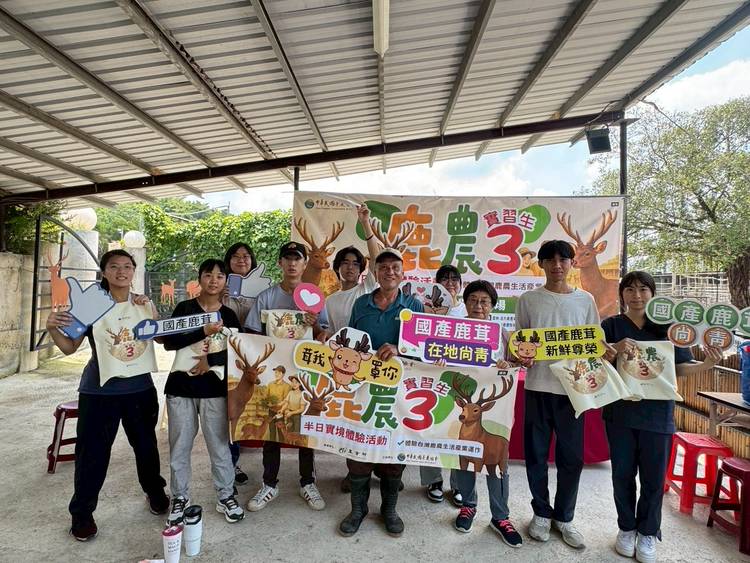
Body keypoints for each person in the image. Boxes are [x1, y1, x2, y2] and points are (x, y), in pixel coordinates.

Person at [45, 249, 169, 542]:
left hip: (140, 390)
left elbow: (161, 338)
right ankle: (82, 514)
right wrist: (52, 328)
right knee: (92, 454)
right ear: (104, 272)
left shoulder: (144, 303)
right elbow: (69, 347)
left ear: (134, 271)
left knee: (146, 447)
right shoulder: (91, 305)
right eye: (114, 266)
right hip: (98, 392)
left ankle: (155, 492)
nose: (121, 271)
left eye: (127, 266)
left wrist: (152, 313)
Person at [601, 271, 722, 563]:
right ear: (622, 294)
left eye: (643, 289)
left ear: (653, 294)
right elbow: (596, 364)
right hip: (619, 414)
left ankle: (648, 532)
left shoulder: (670, 328)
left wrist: (706, 364)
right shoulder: (610, 326)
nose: (637, 295)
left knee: (654, 480)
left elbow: (680, 368)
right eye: (630, 289)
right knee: (622, 476)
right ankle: (626, 528)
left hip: (658, 415)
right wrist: (614, 351)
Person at [514, 240, 599, 549]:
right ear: (541, 264)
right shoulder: (528, 300)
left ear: (572, 263)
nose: (557, 265)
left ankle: (564, 517)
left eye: (563, 259)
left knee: (571, 457)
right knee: (536, 455)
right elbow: (521, 342)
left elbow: (593, 343)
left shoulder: (585, 300)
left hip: (573, 392)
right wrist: (522, 356)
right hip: (537, 387)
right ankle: (540, 513)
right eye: (550, 259)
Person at [339, 247, 424, 537]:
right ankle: (358, 509)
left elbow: (423, 348)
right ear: (375, 273)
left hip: (397, 394)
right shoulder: (361, 304)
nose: (389, 271)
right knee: (358, 451)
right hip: (362, 390)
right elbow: (350, 341)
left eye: (395, 267)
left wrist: (400, 348)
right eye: (383, 267)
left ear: (402, 273)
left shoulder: (413, 305)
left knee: (394, 454)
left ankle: (389, 509)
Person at [244, 241, 329, 512]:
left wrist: (316, 326)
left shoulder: (315, 297)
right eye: (287, 258)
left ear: (305, 264)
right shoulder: (266, 297)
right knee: (272, 425)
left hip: (305, 372)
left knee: (305, 426)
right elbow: (252, 335)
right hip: (274, 372)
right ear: (280, 263)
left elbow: (324, 336)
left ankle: (308, 482)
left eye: (297, 259)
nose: (292, 263)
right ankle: (269, 483)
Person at [161, 259, 245, 525]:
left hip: (215, 390)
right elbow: (169, 343)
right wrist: (203, 331)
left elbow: (238, 352)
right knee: (179, 447)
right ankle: (179, 497)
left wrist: (212, 361)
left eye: (219, 276)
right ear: (200, 279)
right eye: (208, 275)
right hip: (180, 388)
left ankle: (226, 495)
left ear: (225, 282)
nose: (214, 280)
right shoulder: (185, 308)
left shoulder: (229, 315)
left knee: (219, 446)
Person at [451, 280, 523, 547]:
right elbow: (436, 358)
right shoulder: (454, 331)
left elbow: (519, 363)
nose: (478, 306)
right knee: (463, 455)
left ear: (493, 306)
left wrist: (508, 363)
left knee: (496, 460)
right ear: (465, 303)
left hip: (494, 408)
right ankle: (467, 506)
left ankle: (500, 516)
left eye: (484, 301)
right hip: (463, 407)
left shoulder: (503, 335)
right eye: (472, 300)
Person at [419, 264, 467, 504]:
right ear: (436, 284)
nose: (450, 283)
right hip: (432, 376)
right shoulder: (425, 308)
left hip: (461, 379)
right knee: (430, 426)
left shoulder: (467, 309)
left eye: (454, 279)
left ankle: (459, 484)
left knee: (460, 432)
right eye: (444, 279)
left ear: (461, 284)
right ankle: (433, 480)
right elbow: (416, 339)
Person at [222, 242, 258, 486]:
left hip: (255, 357)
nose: (241, 260)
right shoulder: (220, 285)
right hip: (227, 358)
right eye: (235, 256)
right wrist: (220, 297)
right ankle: (230, 464)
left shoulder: (263, 288)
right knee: (229, 411)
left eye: (246, 256)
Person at [325, 204, 380, 335]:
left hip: (366, 347)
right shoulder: (329, 301)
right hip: (339, 347)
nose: (350, 267)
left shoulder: (366, 289)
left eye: (355, 264)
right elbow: (330, 332)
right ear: (337, 267)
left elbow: (376, 258)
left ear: (361, 270)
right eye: (345, 263)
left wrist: (365, 223)